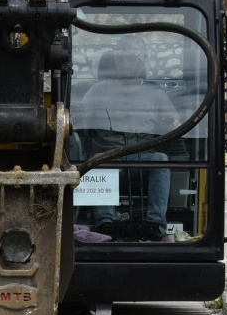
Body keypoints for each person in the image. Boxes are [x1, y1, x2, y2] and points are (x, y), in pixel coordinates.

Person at [70, 50, 180, 228]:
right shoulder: (98, 90)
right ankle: (105, 223)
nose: (125, 64)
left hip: (142, 157)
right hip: (108, 155)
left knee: (161, 160)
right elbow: (79, 119)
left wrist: (171, 125)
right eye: (120, 59)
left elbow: (174, 124)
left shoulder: (155, 93)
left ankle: (156, 223)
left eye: (130, 59)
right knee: (97, 162)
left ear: (141, 62)